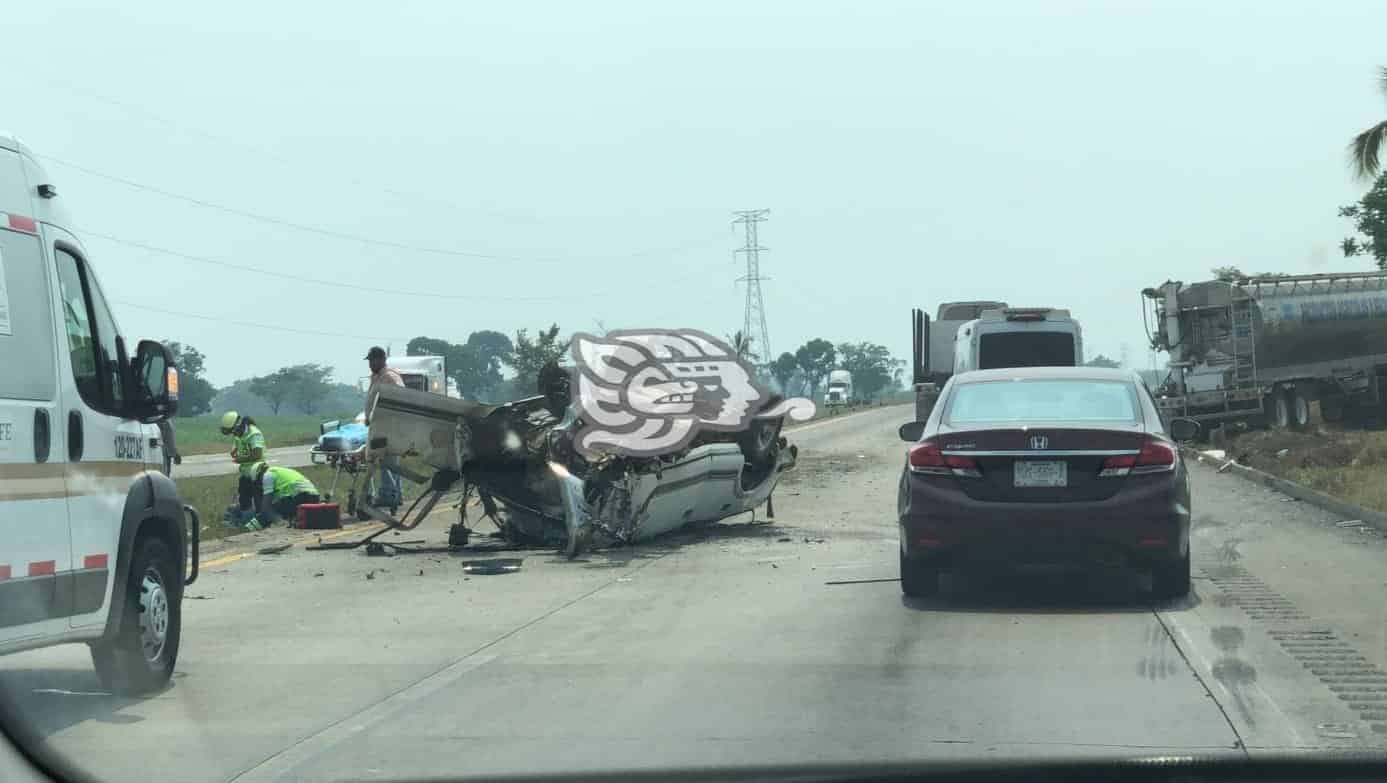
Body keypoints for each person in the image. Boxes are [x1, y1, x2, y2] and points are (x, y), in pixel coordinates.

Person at [364, 346, 405, 509]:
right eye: (369, 361)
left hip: (389, 426)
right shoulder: (376, 377)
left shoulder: (389, 377)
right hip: (380, 425)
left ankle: (389, 494)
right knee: (389, 461)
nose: (370, 364)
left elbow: (401, 398)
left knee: (385, 461)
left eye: (372, 360)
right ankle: (396, 494)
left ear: (381, 359)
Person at [220, 411, 267, 524]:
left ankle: (261, 522)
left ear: (239, 425)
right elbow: (237, 444)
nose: (233, 434)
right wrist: (234, 451)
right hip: (246, 473)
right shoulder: (239, 434)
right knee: (244, 500)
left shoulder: (254, 434)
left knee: (258, 500)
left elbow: (257, 454)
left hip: (258, 473)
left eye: (234, 431)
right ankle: (246, 521)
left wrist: (240, 459)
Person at [247, 462, 322, 529]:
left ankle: (249, 530)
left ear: (259, 475)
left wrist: (278, 521)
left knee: (266, 512)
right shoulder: (279, 471)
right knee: (278, 507)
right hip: (313, 497)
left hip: (300, 496)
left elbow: (265, 508)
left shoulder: (267, 475)